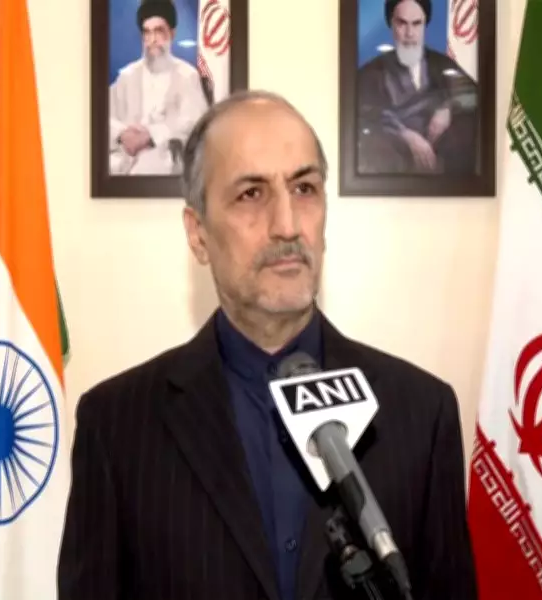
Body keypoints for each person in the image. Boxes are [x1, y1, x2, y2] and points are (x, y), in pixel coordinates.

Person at [57, 90, 478, 600]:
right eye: (251, 194)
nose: (287, 225)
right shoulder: (117, 427)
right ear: (198, 234)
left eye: (304, 188)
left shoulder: (421, 414)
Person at [357, 0, 478, 175]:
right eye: (402, 23)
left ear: (424, 25)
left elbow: (472, 95)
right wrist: (405, 135)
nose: (409, 33)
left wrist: (448, 108)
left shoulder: (442, 65)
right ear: (391, 24)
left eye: (416, 24)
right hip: (394, 170)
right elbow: (365, 113)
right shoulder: (371, 73)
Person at [109, 0, 209, 176]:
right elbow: (105, 117)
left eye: (159, 31)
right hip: (125, 160)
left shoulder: (187, 75)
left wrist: (150, 136)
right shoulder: (127, 76)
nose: (152, 40)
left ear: (172, 33)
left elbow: (194, 123)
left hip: (165, 161)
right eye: (147, 33)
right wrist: (122, 134)